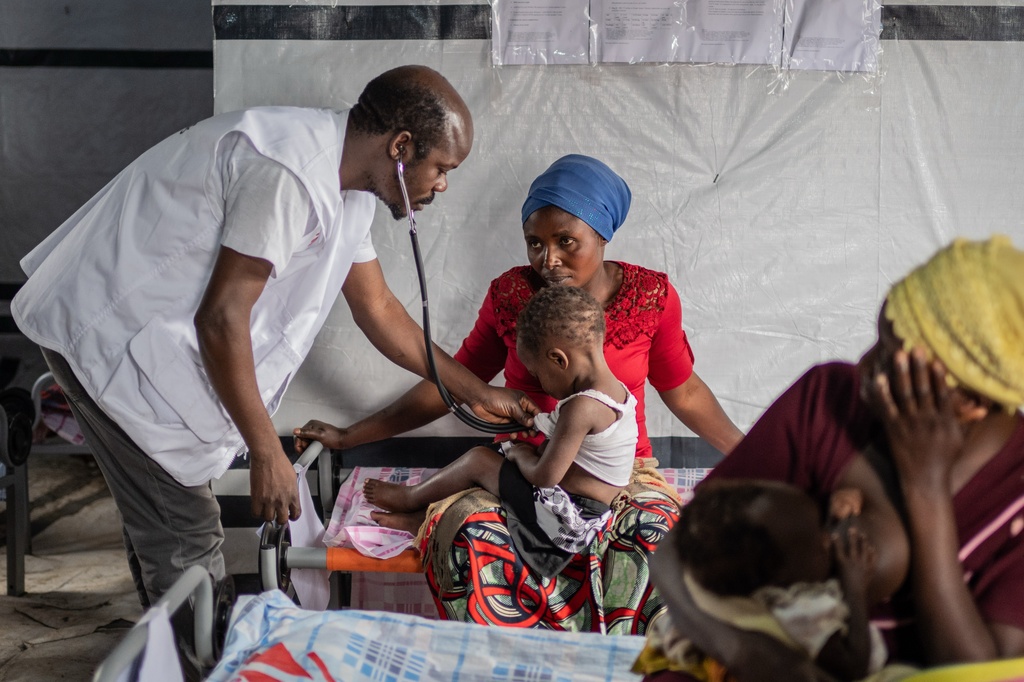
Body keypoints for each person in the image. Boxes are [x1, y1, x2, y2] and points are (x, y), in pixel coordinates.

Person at [10, 65, 536, 610]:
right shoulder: (288, 173)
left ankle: (166, 648)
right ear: (401, 147)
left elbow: (378, 310)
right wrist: (267, 453)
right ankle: (198, 664)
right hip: (104, 333)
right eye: (441, 167)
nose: (443, 184)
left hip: (143, 334)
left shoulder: (350, 186)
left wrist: (478, 392)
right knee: (186, 532)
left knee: (164, 522)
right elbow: (221, 319)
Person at [296, 154, 743, 633]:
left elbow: (687, 392)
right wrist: (352, 434)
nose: (547, 260)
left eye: (565, 241)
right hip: (523, 470)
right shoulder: (511, 295)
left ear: (603, 234)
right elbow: (453, 383)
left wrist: (759, 455)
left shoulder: (651, 297)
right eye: (535, 243)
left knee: (657, 539)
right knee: (475, 534)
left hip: (619, 477)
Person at [651, 236, 1024, 679]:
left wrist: (926, 489)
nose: (864, 367)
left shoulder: (1013, 491)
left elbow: (981, 672)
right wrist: (749, 651)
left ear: (971, 403)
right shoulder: (828, 400)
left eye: (890, 362)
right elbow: (680, 549)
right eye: (878, 340)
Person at [364, 285, 638, 577]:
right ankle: (423, 516)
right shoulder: (615, 392)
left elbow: (545, 477)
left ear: (559, 360)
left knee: (480, 460)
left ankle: (411, 499)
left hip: (568, 528)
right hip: (572, 510)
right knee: (499, 458)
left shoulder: (582, 407)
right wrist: (529, 437)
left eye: (537, 373)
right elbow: (568, 446)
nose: (540, 383)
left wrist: (521, 456)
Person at [636, 480, 893, 682]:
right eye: (818, 541)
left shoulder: (750, 592)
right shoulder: (799, 612)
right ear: (781, 575)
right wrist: (855, 588)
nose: (830, 540)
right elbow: (853, 667)